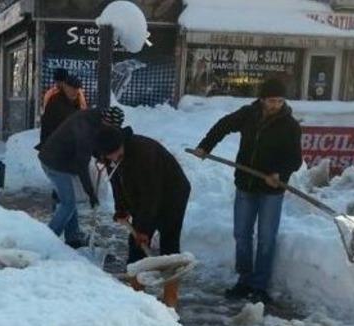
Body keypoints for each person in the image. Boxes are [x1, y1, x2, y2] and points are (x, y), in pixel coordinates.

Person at [192, 77, 302, 304]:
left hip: (271, 191)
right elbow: (223, 126)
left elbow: (294, 159)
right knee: (242, 235)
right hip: (245, 184)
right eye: (272, 100)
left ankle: (260, 286)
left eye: (280, 101)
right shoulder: (247, 115)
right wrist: (205, 146)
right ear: (262, 99)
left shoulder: (290, 125)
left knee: (266, 238)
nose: (276, 105)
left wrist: (280, 175)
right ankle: (244, 280)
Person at [98, 127, 191, 307]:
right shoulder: (111, 154)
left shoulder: (144, 154)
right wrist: (121, 209)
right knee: (135, 245)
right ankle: (136, 296)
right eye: (108, 156)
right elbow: (116, 180)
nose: (111, 158)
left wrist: (142, 229)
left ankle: (170, 299)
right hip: (144, 196)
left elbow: (151, 195)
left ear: (121, 144)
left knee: (169, 243)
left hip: (172, 194)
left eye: (113, 154)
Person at [39, 106, 126, 248]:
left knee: (69, 201)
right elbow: (82, 166)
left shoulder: (95, 118)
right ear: (106, 122)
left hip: (63, 160)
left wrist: (101, 154)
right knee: (68, 204)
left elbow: (96, 142)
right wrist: (91, 193)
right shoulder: (85, 130)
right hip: (54, 163)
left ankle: (72, 237)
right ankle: (48, 242)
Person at [39, 74, 84, 148]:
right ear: (65, 87)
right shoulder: (55, 101)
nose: (75, 91)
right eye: (72, 88)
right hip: (56, 146)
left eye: (77, 89)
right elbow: (47, 125)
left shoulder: (77, 102)